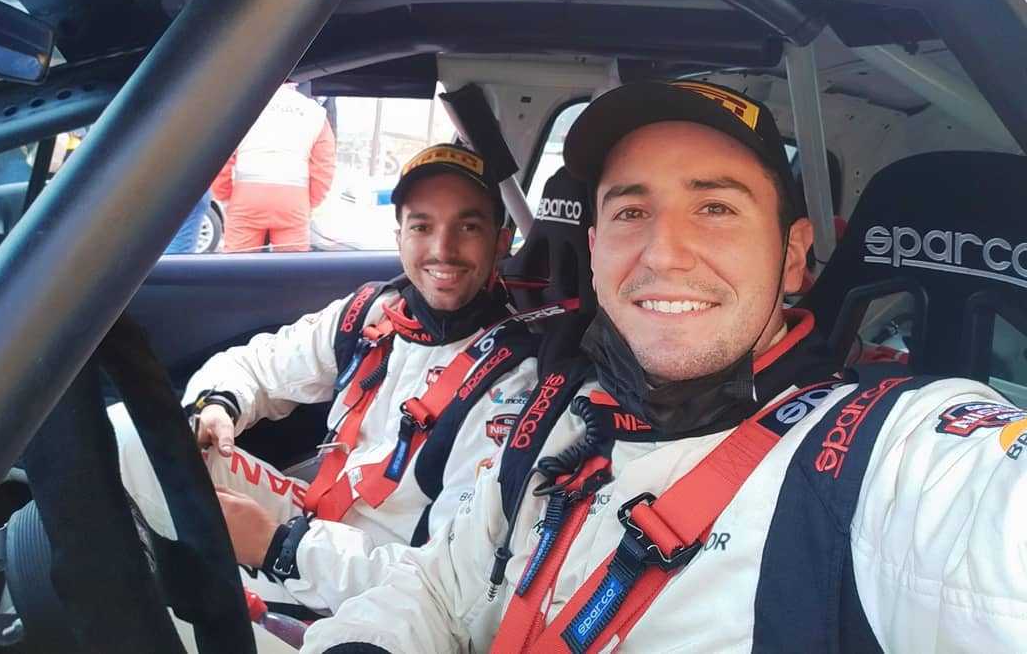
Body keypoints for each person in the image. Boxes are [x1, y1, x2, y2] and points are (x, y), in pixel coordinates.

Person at [302, 81, 1027, 653]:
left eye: (715, 209)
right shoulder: (560, 407)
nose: (664, 253)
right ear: (594, 250)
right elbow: (438, 586)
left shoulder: (885, 457)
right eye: (630, 212)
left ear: (794, 255)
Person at [111, 143, 557, 618]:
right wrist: (219, 405)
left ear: (501, 241)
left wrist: (280, 548)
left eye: (467, 227)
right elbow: (257, 365)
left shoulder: (515, 383)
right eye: (422, 226)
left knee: (159, 613)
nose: (442, 250)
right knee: (134, 429)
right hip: (311, 526)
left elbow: (448, 582)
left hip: (386, 594)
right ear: (400, 236)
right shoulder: (371, 314)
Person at [212, 84, 336, 252]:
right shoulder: (315, 113)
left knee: (238, 262)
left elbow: (220, 158)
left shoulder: (241, 107)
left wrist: (225, 197)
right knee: (291, 264)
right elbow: (324, 165)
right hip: (293, 199)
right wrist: (310, 202)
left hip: (247, 196)